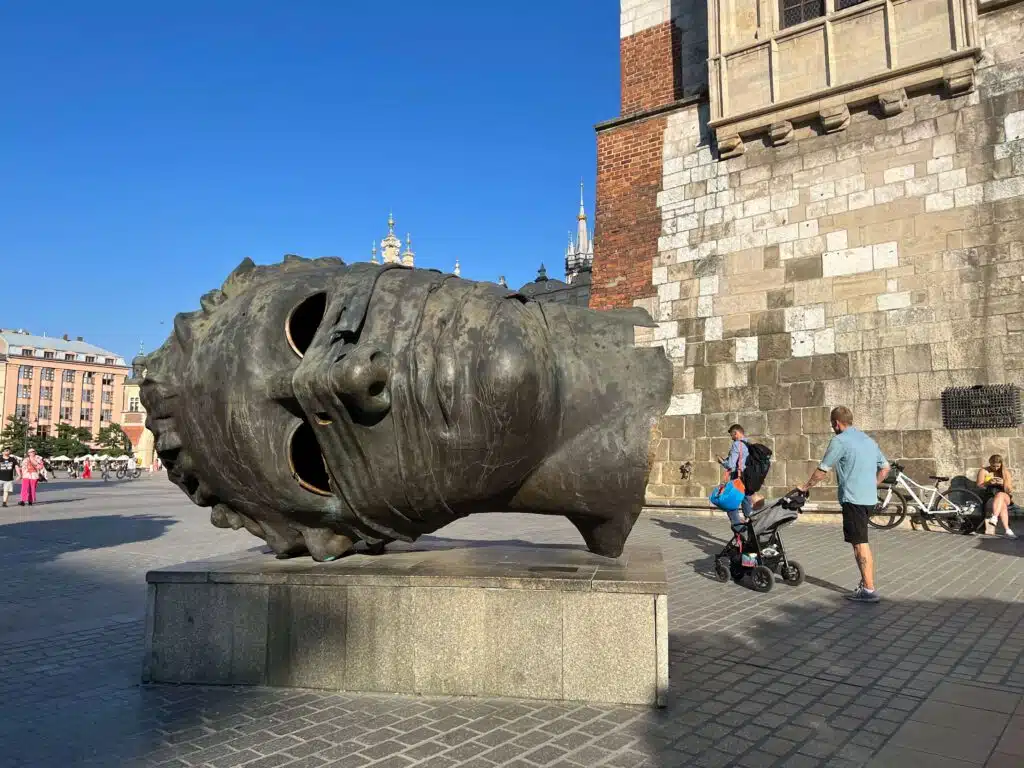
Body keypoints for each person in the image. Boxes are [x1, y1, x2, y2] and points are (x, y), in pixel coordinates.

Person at [799, 406, 889, 603]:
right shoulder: (868, 440)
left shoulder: (840, 441)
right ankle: (866, 584)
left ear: (837, 423)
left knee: (860, 544)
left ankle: (869, 589)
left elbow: (822, 470)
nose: (833, 427)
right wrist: (871, 484)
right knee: (861, 540)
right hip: (869, 499)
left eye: (833, 424)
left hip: (853, 499)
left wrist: (805, 487)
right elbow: (885, 468)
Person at [714, 424, 752, 526]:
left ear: (736, 433)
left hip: (738, 476)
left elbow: (731, 465)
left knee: (730, 501)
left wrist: (722, 462)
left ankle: (738, 526)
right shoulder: (748, 443)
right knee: (746, 498)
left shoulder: (737, 444)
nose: (731, 438)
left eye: (732, 435)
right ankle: (750, 520)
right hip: (748, 476)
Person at [978, 455, 1016, 539]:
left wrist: (1003, 483)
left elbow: (1009, 490)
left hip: (1005, 495)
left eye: (998, 466)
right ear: (990, 463)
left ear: (1001, 464)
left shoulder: (1005, 472)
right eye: (993, 466)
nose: (995, 468)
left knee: (1000, 495)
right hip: (990, 496)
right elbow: (979, 485)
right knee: (1002, 504)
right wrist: (988, 483)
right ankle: (1007, 530)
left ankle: (994, 517)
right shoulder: (984, 471)